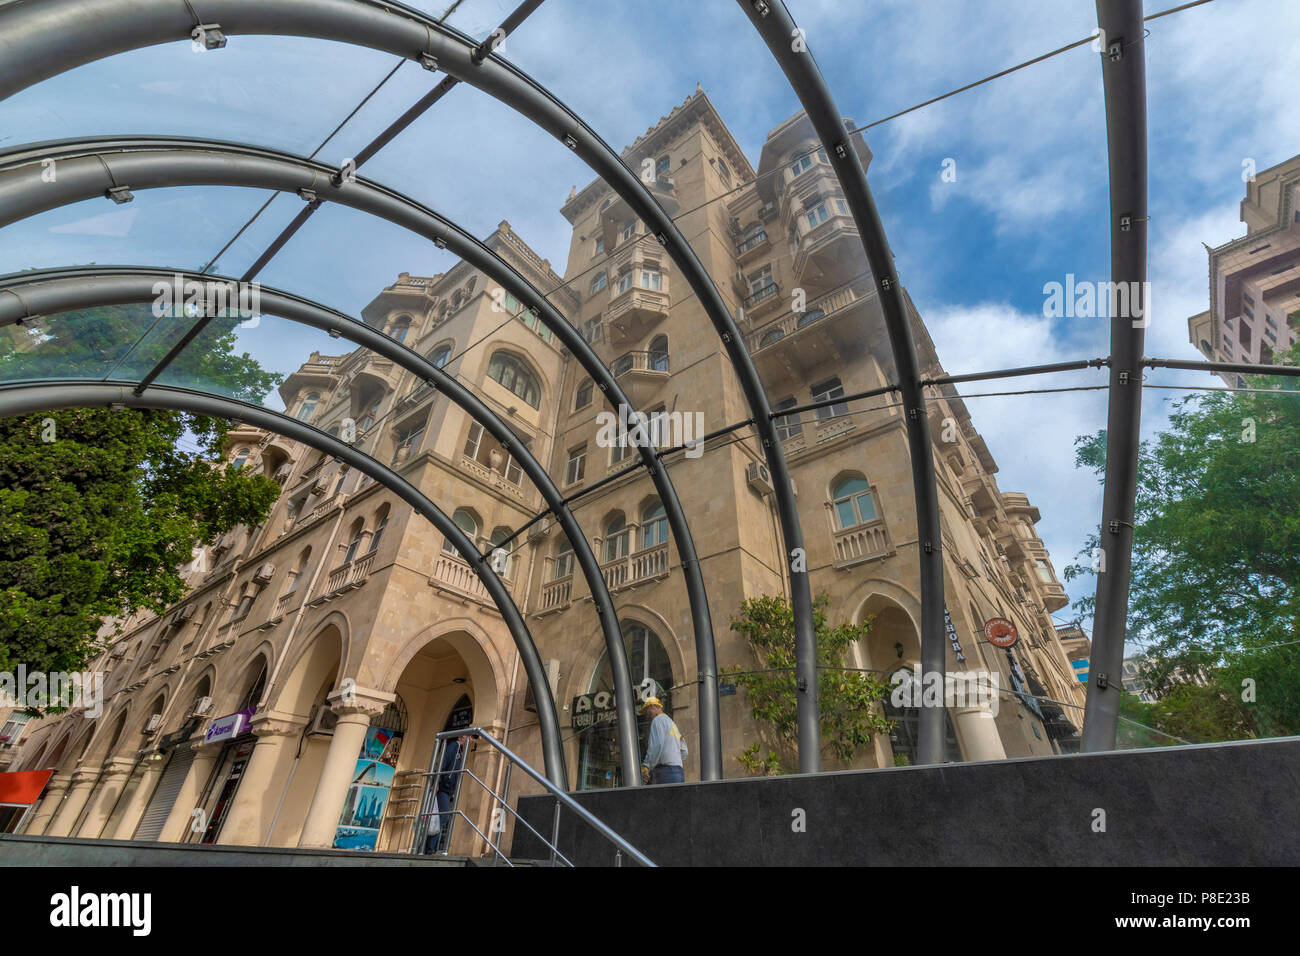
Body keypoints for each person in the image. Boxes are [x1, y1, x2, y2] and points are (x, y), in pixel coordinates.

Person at [425, 733, 470, 853]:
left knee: (439, 818)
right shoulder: (453, 747)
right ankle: (429, 849)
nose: (470, 741)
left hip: (448, 789)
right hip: (443, 787)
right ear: (463, 737)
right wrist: (437, 782)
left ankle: (428, 847)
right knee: (442, 818)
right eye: (469, 738)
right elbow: (443, 763)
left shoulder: (460, 751)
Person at [639, 697, 687, 785]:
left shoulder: (657, 720)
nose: (647, 715)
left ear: (652, 706)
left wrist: (646, 766)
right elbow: (684, 751)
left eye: (647, 711)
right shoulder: (672, 723)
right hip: (679, 772)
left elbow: (656, 746)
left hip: (665, 772)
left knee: (663, 798)